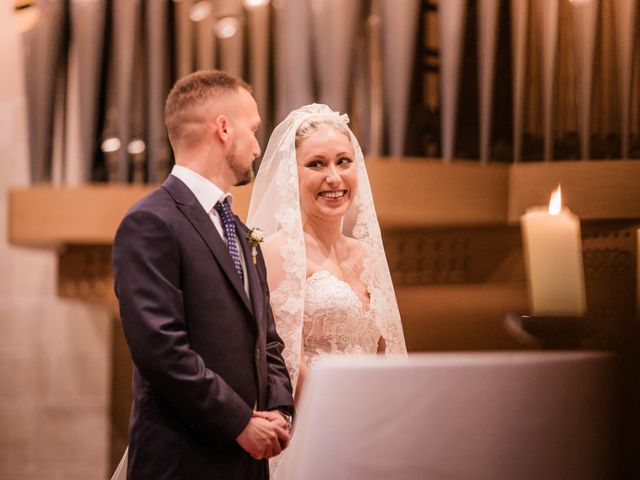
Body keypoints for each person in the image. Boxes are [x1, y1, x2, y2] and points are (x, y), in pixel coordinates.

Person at [111, 70, 294, 480]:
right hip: (183, 461)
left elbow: (267, 338)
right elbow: (161, 350)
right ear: (224, 129)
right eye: (253, 130)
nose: (258, 146)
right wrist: (240, 423)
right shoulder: (151, 222)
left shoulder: (240, 230)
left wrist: (278, 410)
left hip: (248, 463)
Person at [247, 102, 407, 410]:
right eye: (316, 164)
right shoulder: (278, 252)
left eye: (343, 162)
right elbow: (285, 362)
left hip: (375, 419)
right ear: (291, 175)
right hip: (316, 422)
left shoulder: (366, 253)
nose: (333, 178)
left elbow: (389, 350)